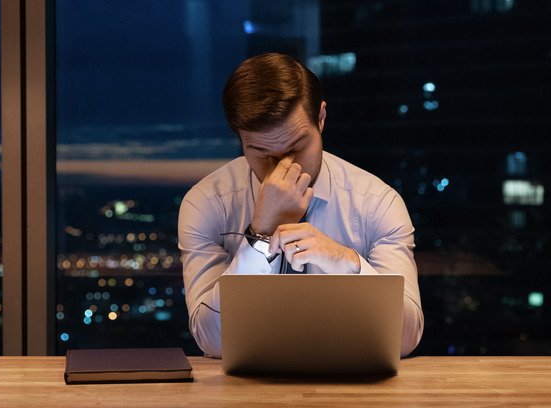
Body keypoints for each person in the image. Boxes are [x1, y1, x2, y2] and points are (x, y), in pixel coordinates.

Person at [178, 52, 423, 358]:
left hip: (354, 392)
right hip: (241, 398)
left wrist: (345, 262)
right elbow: (213, 341)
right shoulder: (207, 205)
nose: (283, 170)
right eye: (262, 153)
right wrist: (260, 235)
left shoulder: (376, 204)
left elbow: (406, 337)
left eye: (296, 148)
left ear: (321, 118)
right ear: (240, 138)